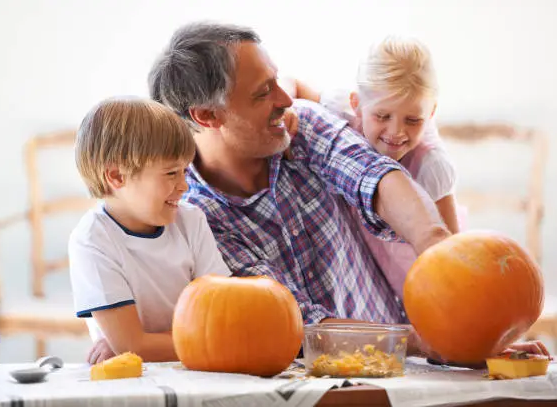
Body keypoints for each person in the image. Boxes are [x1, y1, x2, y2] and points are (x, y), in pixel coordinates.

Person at [148, 22, 450, 356]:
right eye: (263, 92)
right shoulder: (197, 220)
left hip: (400, 370)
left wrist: (437, 247)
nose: (285, 98)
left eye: (276, 80)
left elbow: (376, 178)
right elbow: (296, 324)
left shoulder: (303, 125)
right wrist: (417, 342)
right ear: (207, 116)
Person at [282, 36, 466, 299]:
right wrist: (285, 105)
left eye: (413, 120)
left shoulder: (430, 164)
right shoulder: (340, 107)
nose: (396, 132)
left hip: (407, 264)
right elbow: (294, 83)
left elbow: (449, 247)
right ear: (356, 104)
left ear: (432, 112)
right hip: (359, 253)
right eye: (382, 116)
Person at [68, 97, 230, 364]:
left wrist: (140, 344)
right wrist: (136, 345)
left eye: (185, 171)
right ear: (117, 176)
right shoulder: (92, 240)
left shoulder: (191, 220)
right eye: (171, 173)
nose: (184, 186)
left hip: (200, 370)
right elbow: (135, 347)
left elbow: (224, 320)